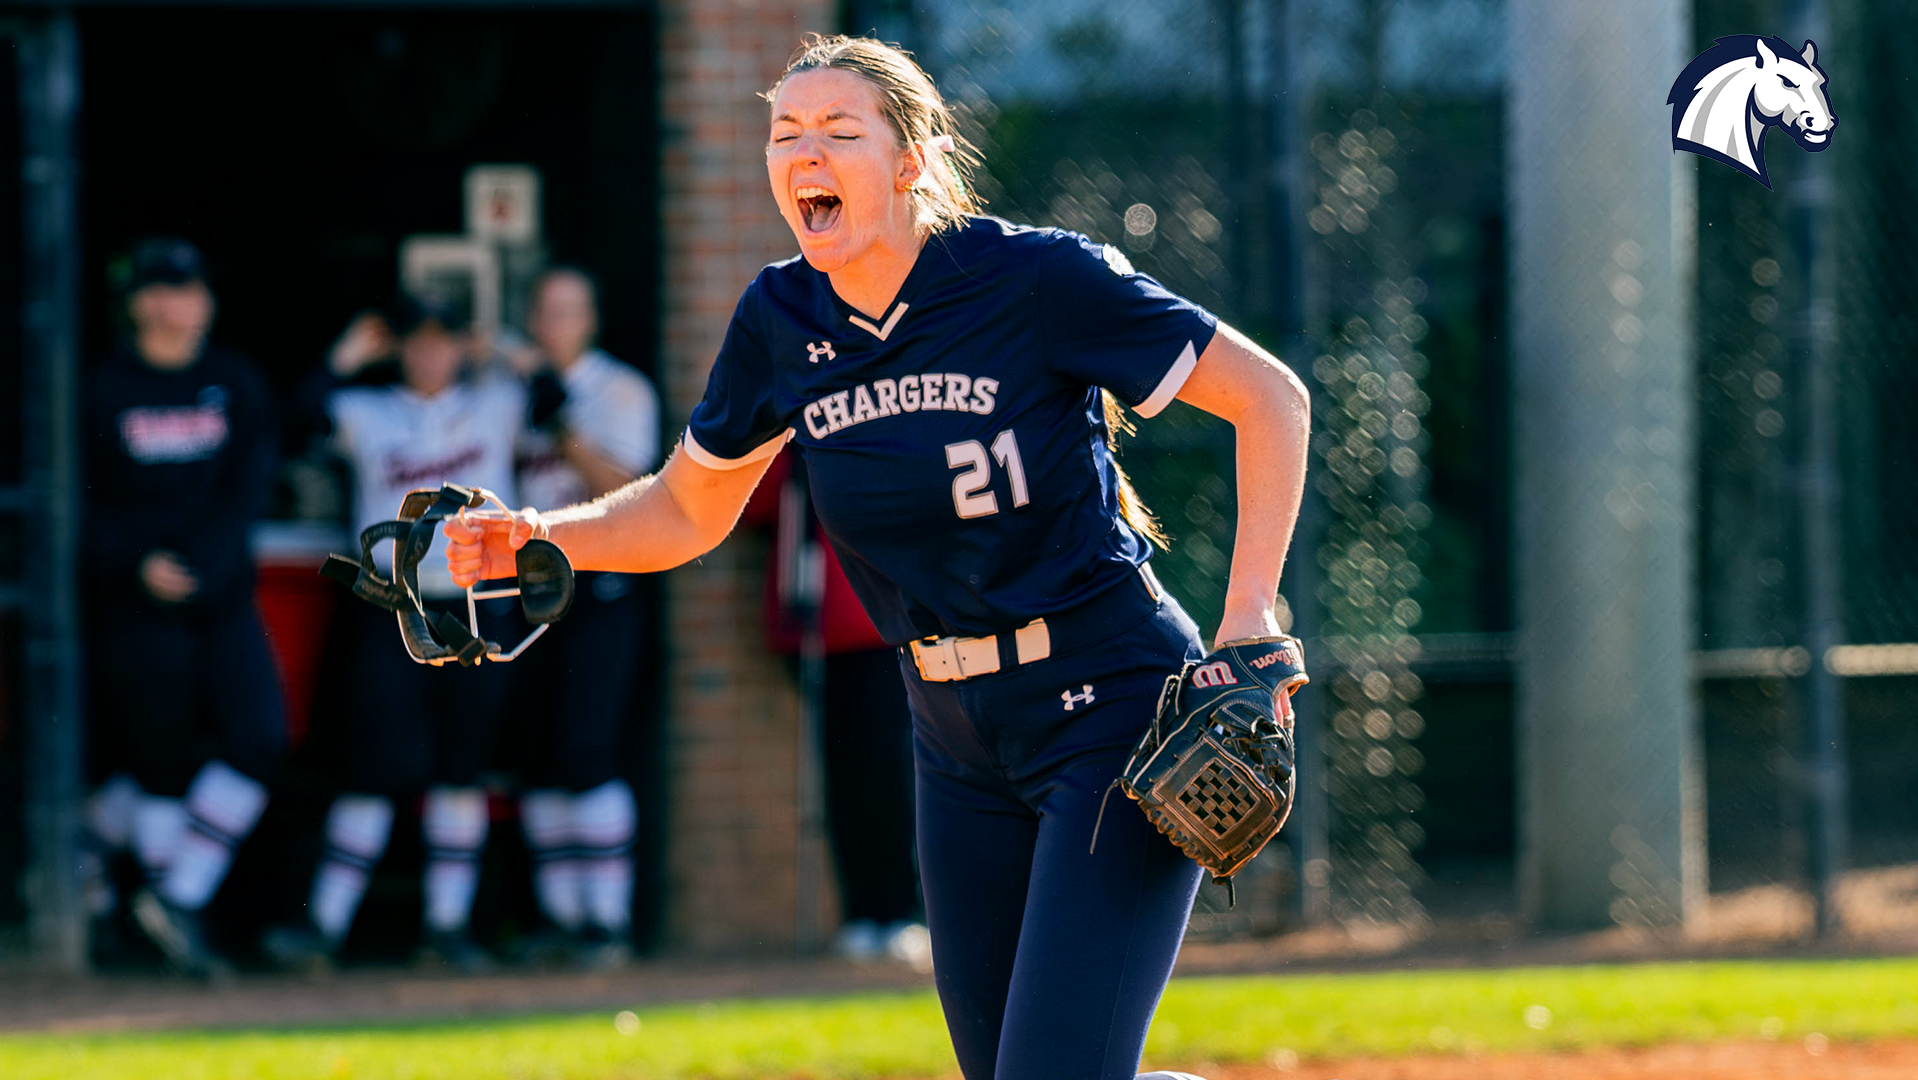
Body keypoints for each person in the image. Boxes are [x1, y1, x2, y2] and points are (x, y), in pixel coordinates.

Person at [446, 35, 1308, 1080]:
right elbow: (684, 510)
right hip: (952, 735)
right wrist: (539, 537)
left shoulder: (1032, 278)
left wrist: (1249, 617)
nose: (804, 152)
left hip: (1106, 700)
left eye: (838, 130)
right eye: (784, 133)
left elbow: (1270, 400)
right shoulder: (781, 319)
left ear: (911, 160)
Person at [267, 296, 529, 974]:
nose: (430, 353)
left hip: (476, 604)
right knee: (371, 767)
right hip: (392, 605)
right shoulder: (365, 408)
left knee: (461, 768)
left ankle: (447, 928)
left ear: (462, 346)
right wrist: (346, 357)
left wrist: (497, 348)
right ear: (396, 346)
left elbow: (558, 398)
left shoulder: (497, 401)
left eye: (444, 340)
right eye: (417, 340)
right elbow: (291, 422)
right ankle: (323, 928)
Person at [81, 237, 287, 978]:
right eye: (168, 289)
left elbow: (250, 488)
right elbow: (77, 502)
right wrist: (134, 563)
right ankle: (148, 902)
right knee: (157, 765)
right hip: (137, 604)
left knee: (261, 738)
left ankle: (173, 894)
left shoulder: (235, 381)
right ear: (139, 303)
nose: (185, 304)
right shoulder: (101, 388)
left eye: (194, 289)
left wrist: (207, 563)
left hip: (222, 596)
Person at [509, 266, 660, 967]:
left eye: (570, 311)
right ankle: (561, 918)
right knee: (537, 756)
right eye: (546, 311)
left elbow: (631, 490)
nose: (556, 325)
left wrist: (562, 426)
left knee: (588, 748)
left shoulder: (622, 389)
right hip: (526, 588)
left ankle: (608, 923)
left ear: (590, 319)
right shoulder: (510, 388)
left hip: (600, 586)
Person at [741, 449, 925, 966]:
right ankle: (861, 911)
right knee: (843, 779)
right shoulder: (787, 448)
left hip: (881, 629)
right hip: (815, 632)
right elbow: (751, 509)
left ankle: (901, 911)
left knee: (890, 773)